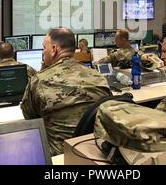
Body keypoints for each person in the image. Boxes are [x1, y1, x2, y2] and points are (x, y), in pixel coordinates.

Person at [21, 28, 112, 156]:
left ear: (53, 49)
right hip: (93, 152)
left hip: (60, 156)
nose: (43, 52)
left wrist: (43, 72)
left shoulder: (39, 81)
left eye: (43, 48)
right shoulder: (98, 76)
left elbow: (29, 118)